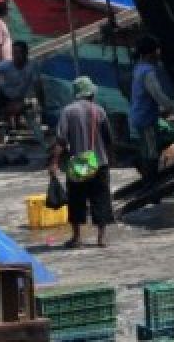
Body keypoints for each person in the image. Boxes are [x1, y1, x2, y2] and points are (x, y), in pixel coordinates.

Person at [50, 77, 113, 249]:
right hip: (99, 163)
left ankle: (77, 238)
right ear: (91, 93)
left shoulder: (68, 111)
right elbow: (108, 138)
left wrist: (54, 162)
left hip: (78, 163)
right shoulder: (100, 111)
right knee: (101, 199)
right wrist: (110, 158)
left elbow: (61, 140)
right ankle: (101, 238)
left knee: (76, 199)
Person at [129, 36, 174, 180]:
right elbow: (159, 96)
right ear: (152, 52)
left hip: (142, 115)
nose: (159, 52)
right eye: (157, 49)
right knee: (151, 152)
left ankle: (147, 172)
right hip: (145, 118)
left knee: (150, 147)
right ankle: (151, 183)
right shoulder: (148, 72)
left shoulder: (139, 67)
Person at [0, 41, 41, 137]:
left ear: (26, 53)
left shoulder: (32, 65)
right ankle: (8, 126)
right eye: (14, 53)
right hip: (4, 96)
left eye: (19, 53)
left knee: (28, 105)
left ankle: (17, 125)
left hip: (20, 96)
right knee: (14, 107)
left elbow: (38, 84)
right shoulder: (7, 64)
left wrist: (41, 102)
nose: (16, 56)